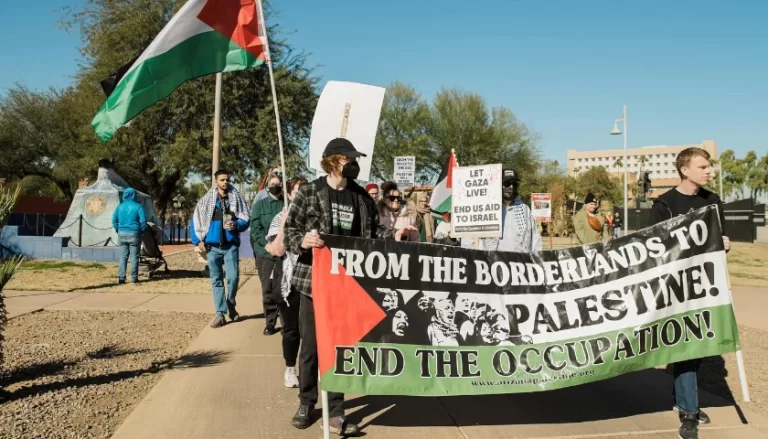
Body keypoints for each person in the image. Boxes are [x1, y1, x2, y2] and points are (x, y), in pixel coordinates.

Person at [283, 137, 414, 435]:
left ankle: (336, 411)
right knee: (312, 348)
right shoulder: (310, 192)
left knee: (339, 349)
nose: (354, 164)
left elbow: (373, 234)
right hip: (312, 284)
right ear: (332, 161)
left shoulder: (360, 197)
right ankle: (307, 402)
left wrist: (396, 234)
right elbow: (291, 230)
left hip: (347, 286)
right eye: (349, 159)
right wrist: (303, 241)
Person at [648, 147, 730, 439]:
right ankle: (689, 413)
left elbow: (720, 238)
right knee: (686, 347)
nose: (709, 171)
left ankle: (682, 398)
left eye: (709, 166)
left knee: (696, 351)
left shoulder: (713, 202)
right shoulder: (664, 204)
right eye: (702, 166)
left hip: (705, 287)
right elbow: (652, 249)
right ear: (685, 169)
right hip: (675, 289)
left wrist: (724, 243)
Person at [191, 169, 250, 328]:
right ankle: (220, 313)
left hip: (230, 246)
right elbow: (195, 222)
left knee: (233, 278)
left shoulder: (236, 199)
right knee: (216, 281)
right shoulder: (205, 201)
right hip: (212, 248)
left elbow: (246, 218)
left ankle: (230, 303)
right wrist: (198, 241)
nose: (225, 182)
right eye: (222, 180)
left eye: (227, 179)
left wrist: (237, 224)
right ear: (215, 181)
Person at [264, 177, 309, 388]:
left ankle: (311, 369)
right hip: (287, 281)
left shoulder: (315, 218)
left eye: (306, 192)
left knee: (311, 330)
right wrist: (284, 224)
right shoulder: (279, 217)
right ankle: (290, 369)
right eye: (298, 192)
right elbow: (277, 250)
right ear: (290, 195)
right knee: (292, 329)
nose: (302, 196)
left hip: (311, 280)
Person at [462, 169, 542, 252]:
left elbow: (535, 239)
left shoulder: (524, 209)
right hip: (493, 261)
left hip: (519, 261)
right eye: (507, 184)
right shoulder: (486, 209)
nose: (511, 187)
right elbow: (469, 238)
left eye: (513, 184)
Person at [250, 173, 285, 336]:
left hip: (285, 254)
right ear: (267, 186)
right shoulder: (260, 205)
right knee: (268, 289)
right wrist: (267, 245)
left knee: (285, 288)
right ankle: (270, 322)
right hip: (265, 254)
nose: (275, 185)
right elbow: (255, 229)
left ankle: (286, 321)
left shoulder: (287, 204)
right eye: (272, 183)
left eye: (278, 183)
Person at [112, 188, 147, 284]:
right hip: (134, 233)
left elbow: (114, 220)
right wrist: (141, 230)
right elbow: (143, 220)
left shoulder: (120, 207)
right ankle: (134, 278)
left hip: (122, 233)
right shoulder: (138, 206)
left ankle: (121, 278)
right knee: (134, 257)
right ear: (134, 195)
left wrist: (117, 229)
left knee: (123, 257)